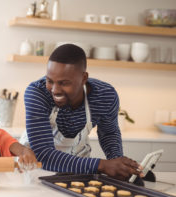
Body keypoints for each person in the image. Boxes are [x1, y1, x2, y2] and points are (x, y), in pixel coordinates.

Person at [20, 44, 141, 180]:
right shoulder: (37, 93)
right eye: (50, 81)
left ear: (84, 78)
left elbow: (109, 133)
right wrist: (102, 165)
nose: (55, 90)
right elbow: (44, 155)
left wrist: (119, 165)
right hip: (35, 171)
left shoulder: (105, 96)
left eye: (64, 83)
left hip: (79, 171)